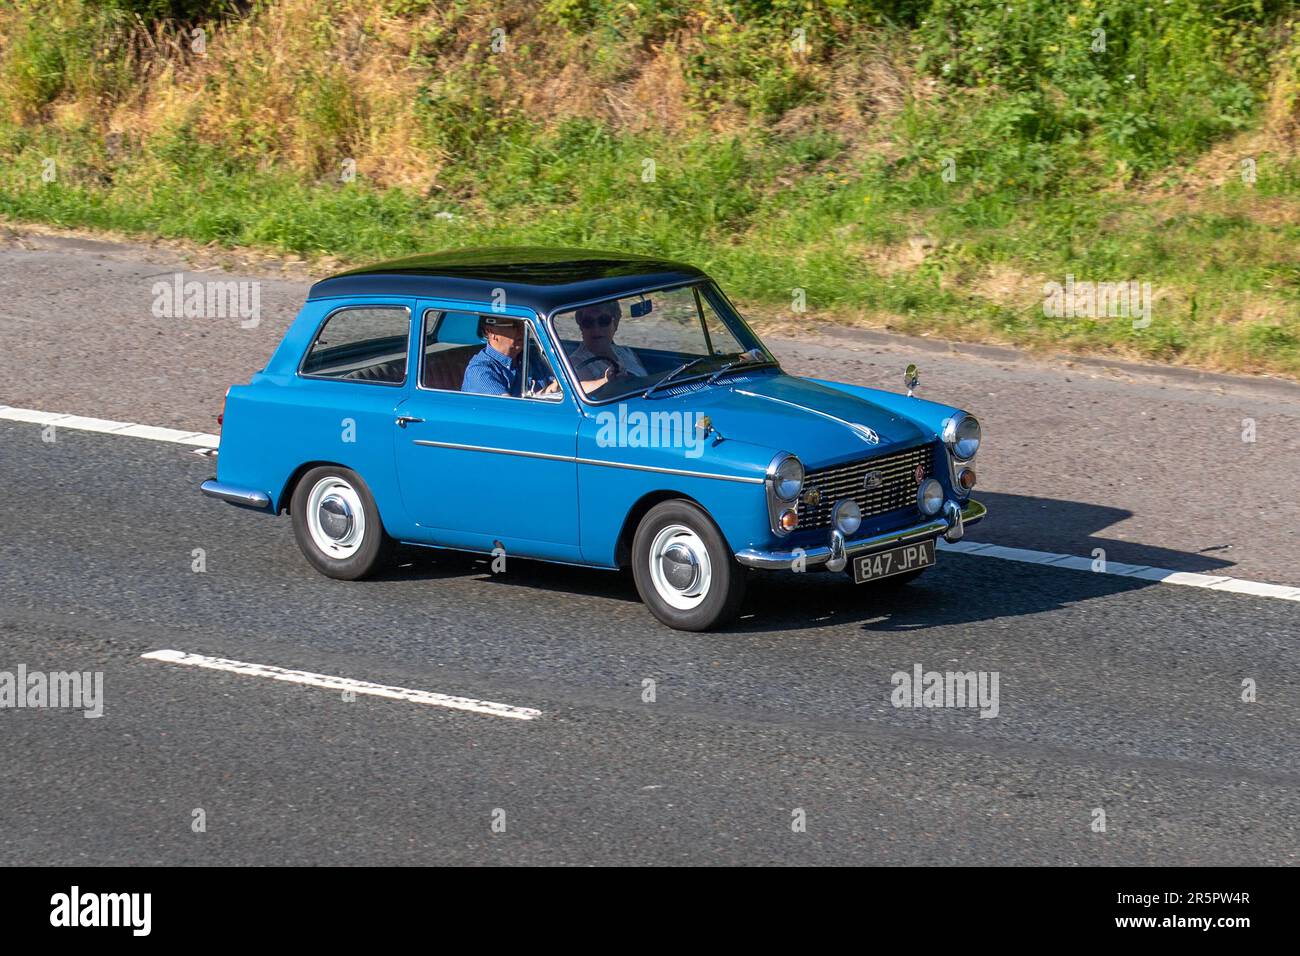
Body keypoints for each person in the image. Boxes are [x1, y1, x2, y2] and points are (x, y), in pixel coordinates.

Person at [461, 315, 558, 397]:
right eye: (514, 325)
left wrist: (554, 388)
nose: (523, 330)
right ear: (490, 331)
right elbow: (510, 410)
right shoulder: (480, 372)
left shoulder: (533, 355)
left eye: (525, 324)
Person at [568, 301, 646, 394]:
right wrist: (605, 381)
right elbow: (576, 388)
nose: (596, 329)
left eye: (604, 321)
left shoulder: (626, 352)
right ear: (581, 327)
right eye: (588, 322)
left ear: (615, 323)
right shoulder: (575, 362)